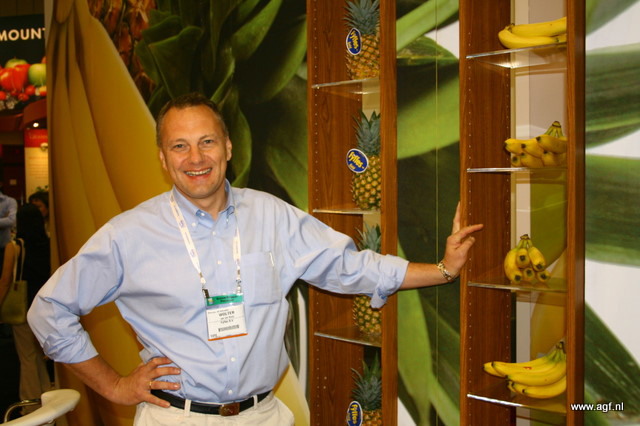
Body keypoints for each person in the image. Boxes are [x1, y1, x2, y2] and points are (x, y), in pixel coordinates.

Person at [28, 92, 483, 425]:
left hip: (263, 415)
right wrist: (114, 385)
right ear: (163, 159)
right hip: (178, 418)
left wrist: (444, 269)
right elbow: (49, 311)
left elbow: (349, 266)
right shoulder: (129, 235)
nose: (195, 158)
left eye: (207, 141)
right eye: (179, 146)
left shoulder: (272, 216)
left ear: (228, 147)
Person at [0, 204, 52, 411]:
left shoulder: (15, 246)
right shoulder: (48, 244)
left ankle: (29, 405)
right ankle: (47, 396)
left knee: (27, 357)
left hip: (23, 307)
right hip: (45, 306)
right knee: (39, 355)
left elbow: (5, 280)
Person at [0, 183, 17, 276]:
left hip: (3, 249)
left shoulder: (9, 201)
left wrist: (7, 221)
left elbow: (11, 220)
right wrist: (3, 220)